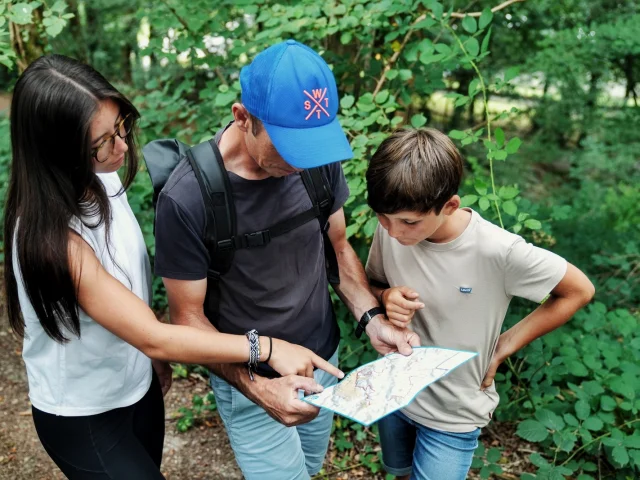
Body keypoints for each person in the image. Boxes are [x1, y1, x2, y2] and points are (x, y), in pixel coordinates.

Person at [3, 54, 344, 480]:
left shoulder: (102, 178)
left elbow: (135, 305)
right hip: (83, 411)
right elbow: (154, 336)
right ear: (56, 153)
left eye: (121, 127)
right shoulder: (52, 241)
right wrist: (268, 347)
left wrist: (151, 365)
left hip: (137, 388)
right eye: (103, 142)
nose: (124, 147)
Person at [153, 39, 420, 480]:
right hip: (254, 376)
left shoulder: (315, 159)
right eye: (289, 146)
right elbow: (188, 321)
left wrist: (371, 317)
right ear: (243, 118)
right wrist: (259, 387)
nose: (302, 163)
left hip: (324, 360)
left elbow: (336, 246)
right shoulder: (188, 199)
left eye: (312, 145)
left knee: (309, 468)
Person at [364, 127, 596, 480]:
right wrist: (385, 297)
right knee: (398, 471)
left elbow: (579, 290)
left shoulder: (498, 250)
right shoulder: (392, 224)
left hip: (452, 416)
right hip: (394, 393)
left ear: (450, 205)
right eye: (383, 219)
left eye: (409, 222)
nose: (393, 232)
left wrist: (504, 346)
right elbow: (376, 283)